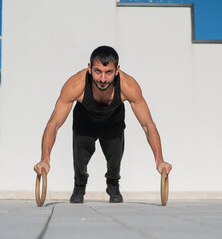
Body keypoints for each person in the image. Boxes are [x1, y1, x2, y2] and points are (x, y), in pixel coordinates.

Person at [34, 46, 172, 203]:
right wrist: (45, 159)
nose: (103, 79)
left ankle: (113, 184)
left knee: (115, 160)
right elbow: (54, 124)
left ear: (117, 70)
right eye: (98, 71)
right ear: (89, 68)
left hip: (114, 123)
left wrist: (159, 160)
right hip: (84, 122)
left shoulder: (128, 87)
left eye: (109, 72)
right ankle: (79, 185)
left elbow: (148, 124)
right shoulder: (75, 85)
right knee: (80, 159)